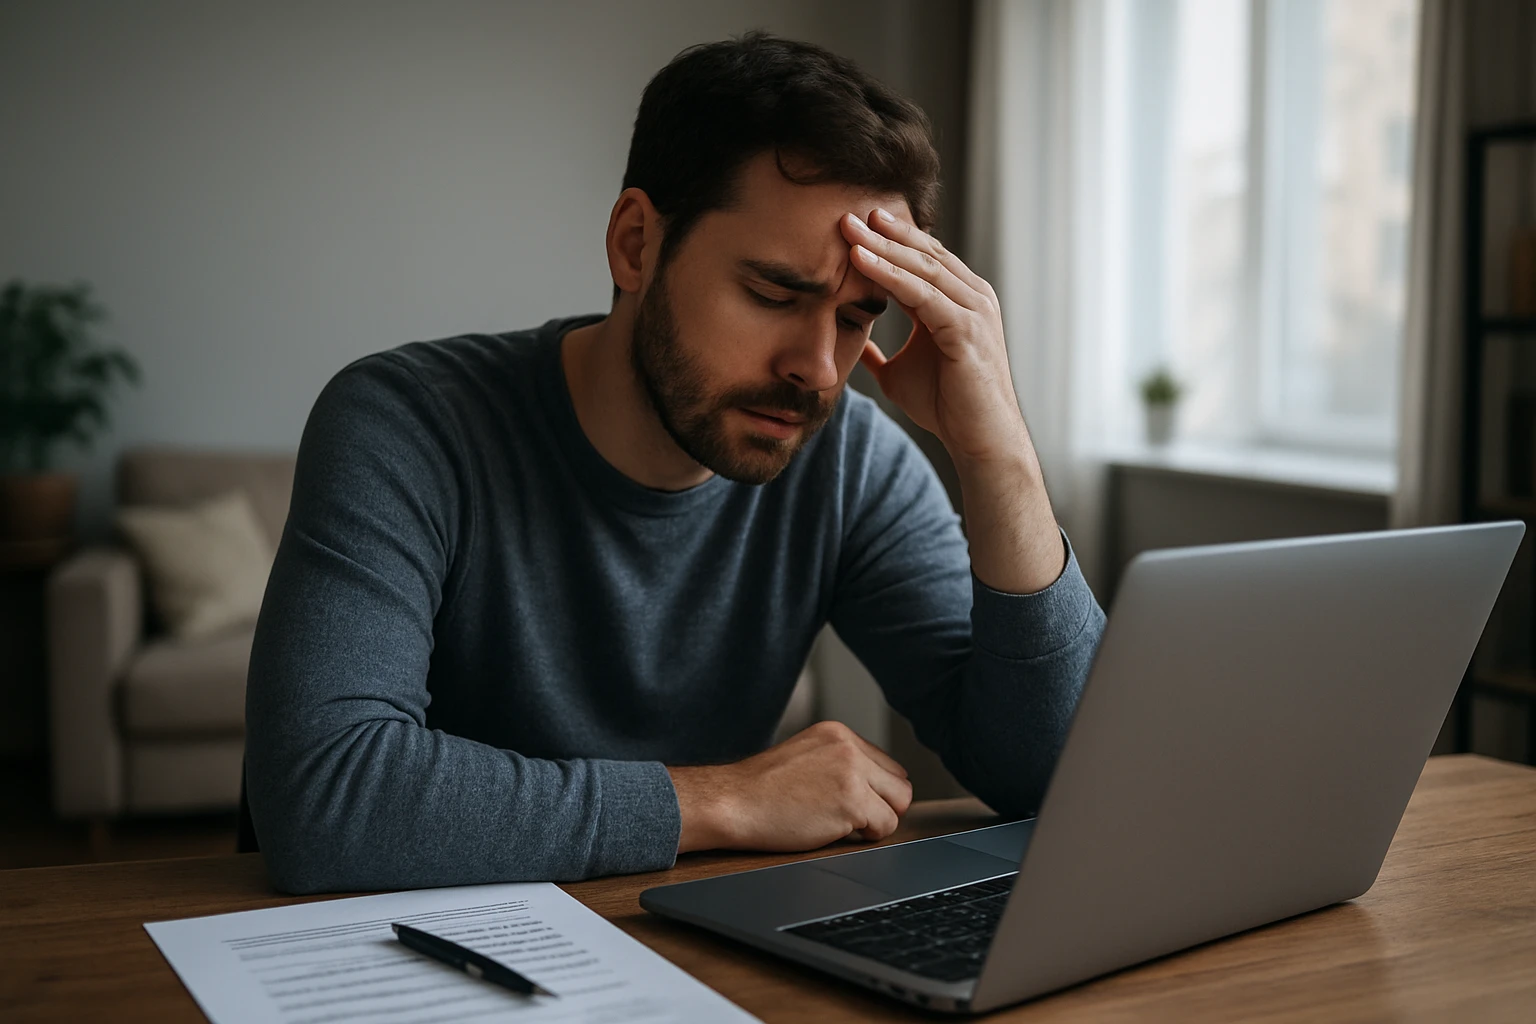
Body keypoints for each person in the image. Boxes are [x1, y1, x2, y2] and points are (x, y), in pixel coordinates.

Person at [246, 31, 1106, 894]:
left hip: (683, 946)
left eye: (856, 318)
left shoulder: (852, 464)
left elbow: (1057, 779)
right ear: (635, 244)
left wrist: (997, 454)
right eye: (774, 294)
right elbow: (327, 799)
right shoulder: (407, 426)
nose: (816, 366)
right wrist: (725, 801)